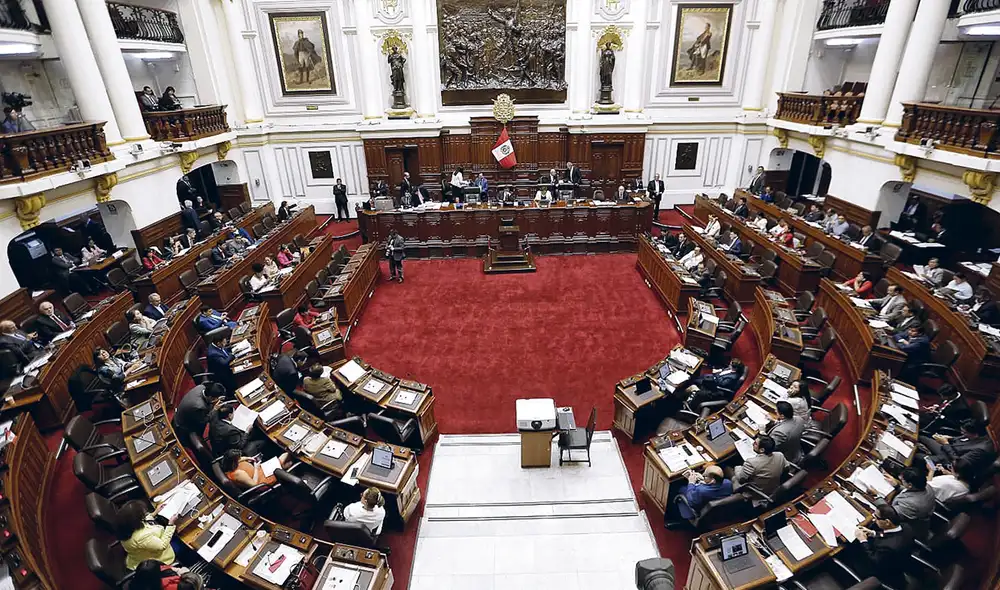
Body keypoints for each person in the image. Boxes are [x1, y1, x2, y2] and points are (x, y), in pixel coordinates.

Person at [850, 505, 915, 589]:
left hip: (878, 570)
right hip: (897, 563)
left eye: (876, 517)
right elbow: (889, 535)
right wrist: (873, 533)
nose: (874, 519)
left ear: (887, 522)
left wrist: (863, 540)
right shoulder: (906, 527)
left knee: (850, 550)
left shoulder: (888, 547)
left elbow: (873, 558)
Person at [920, 419, 997, 475]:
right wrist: (949, 438)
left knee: (918, 457)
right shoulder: (977, 434)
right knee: (921, 437)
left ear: (975, 434)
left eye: (964, 432)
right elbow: (963, 440)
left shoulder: (980, 450)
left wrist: (946, 444)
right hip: (948, 449)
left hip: (950, 462)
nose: (962, 433)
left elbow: (958, 464)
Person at [117, 500, 178, 570]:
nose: (146, 514)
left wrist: (155, 513)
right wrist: (170, 525)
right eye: (144, 514)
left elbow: (144, 521)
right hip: (158, 558)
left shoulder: (126, 525)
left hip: (141, 553)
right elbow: (162, 546)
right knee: (182, 544)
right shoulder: (141, 537)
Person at [733, 435, 788, 500]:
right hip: (774, 486)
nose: (752, 444)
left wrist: (737, 467)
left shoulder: (751, 463)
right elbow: (787, 468)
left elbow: (741, 479)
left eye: (755, 443)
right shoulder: (780, 455)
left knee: (729, 470)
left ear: (762, 450)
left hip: (757, 493)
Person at [221, 449, 292, 490]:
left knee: (284, 462)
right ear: (234, 462)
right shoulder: (238, 474)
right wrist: (256, 468)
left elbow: (241, 459)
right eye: (238, 459)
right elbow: (254, 484)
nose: (240, 458)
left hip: (259, 471)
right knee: (284, 456)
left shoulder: (228, 464)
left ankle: (287, 466)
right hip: (261, 481)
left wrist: (248, 458)